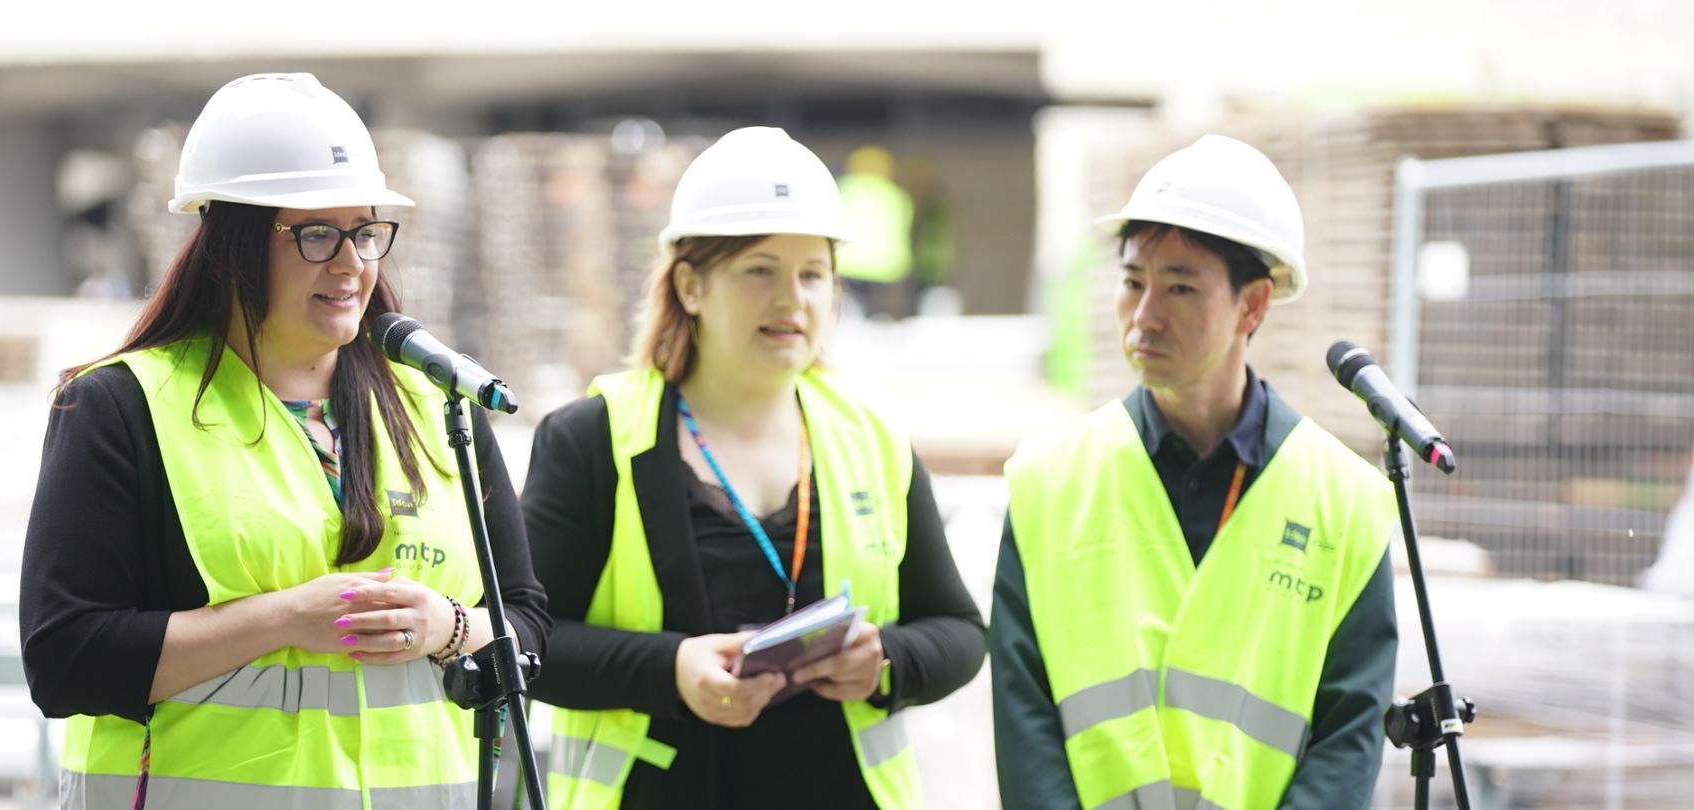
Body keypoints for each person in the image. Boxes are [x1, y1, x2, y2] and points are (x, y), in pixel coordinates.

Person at [18, 73, 548, 809]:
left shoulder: (437, 406)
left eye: (365, 232)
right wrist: (285, 619)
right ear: (231, 247)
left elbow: (528, 624)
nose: (352, 263)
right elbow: (66, 660)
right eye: (317, 233)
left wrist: (448, 626)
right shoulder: (122, 406)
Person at [523, 127, 985, 810]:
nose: (792, 299)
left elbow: (959, 632)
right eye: (760, 270)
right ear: (691, 285)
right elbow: (525, 642)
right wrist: (671, 669)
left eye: (813, 274)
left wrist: (885, 661)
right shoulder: (593, 440)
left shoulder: (872, 439)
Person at [990, 135, 1399, 810]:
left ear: (1253, 305)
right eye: (1132, 283)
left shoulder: (1345, 503)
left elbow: (1349, 734)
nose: (1144, 317)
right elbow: (1024, 721)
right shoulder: (1049, 484)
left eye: (1180, 287)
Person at [836, 145, 916, 320]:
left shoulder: (844, 188)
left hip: (851, 262)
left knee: (852, 306)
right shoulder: (897, 195)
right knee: (877, 310)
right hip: (887, 266)